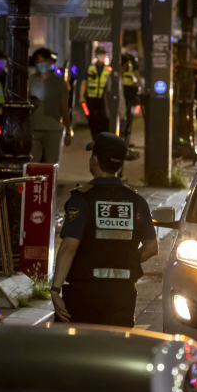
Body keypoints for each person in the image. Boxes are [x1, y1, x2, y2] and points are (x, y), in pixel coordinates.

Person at [49, 132, 158, 327]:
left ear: (95, 161)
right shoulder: (136, 201)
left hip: (83, 293)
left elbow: (69, 247)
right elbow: (151, 248)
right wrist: (126, 260)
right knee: (115, 351)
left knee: (76, 351)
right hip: (123, 295)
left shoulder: (82, 199)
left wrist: (55, 289)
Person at [29, 48, 71, 164]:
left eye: (42, 61)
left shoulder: (59, 83)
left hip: (53, 129)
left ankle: (48, 183)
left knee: (51, 163)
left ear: (48, 61)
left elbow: (64, 107)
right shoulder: (31, 80)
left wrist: (67, 130)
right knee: (33, 163)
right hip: (34, 129)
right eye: (37, 62)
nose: (40, 64)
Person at [79, 46, 111, 140]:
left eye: (103, 54)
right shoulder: (90, 68)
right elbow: (84, 82)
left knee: (104, 121)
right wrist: (81, 96)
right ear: (96, 55)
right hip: (91, 99)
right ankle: (95, 139)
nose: (102, 56)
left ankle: (102, 139)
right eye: (100, 53)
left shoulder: (108, 70)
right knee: (92, 120)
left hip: (103, 100)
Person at [120, 54, 140, 144]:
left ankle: (125, 135)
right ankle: (123, 134)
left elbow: (136, 72)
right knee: (125, 114)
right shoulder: (126, 58)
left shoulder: (129, 59)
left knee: (128, 114)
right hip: (124, 89)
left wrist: (139, 83)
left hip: (128, 90)